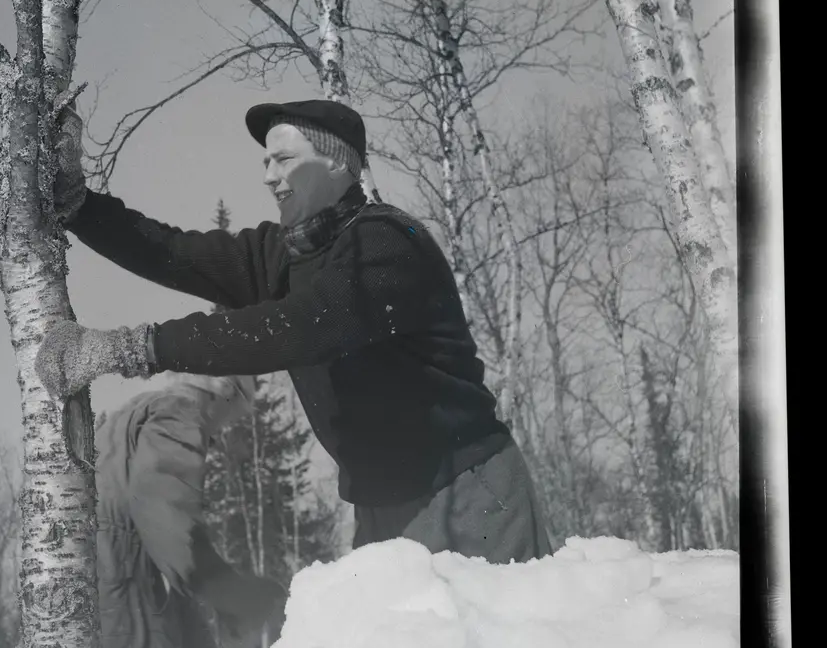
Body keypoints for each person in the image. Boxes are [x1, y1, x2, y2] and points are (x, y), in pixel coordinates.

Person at [35, 98, 552, 564]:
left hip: (466, 491)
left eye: (283, 159)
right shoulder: (284, 252)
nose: (268, 176)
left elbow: (302, 328)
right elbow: (175, 253)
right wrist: (80, 206)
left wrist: (130, 347)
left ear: (337, 163)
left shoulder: (389, 241)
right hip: (381, 506)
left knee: (494, 642)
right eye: (265, 162)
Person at [90, 371, 286, 648]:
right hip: (122, 603)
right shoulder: (178, 412)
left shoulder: (138, 417)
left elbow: (164, 551)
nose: (225, 426)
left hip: (116, 595)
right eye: (235, 411)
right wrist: (222, 585)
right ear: (222, 390)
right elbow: (163, 513)